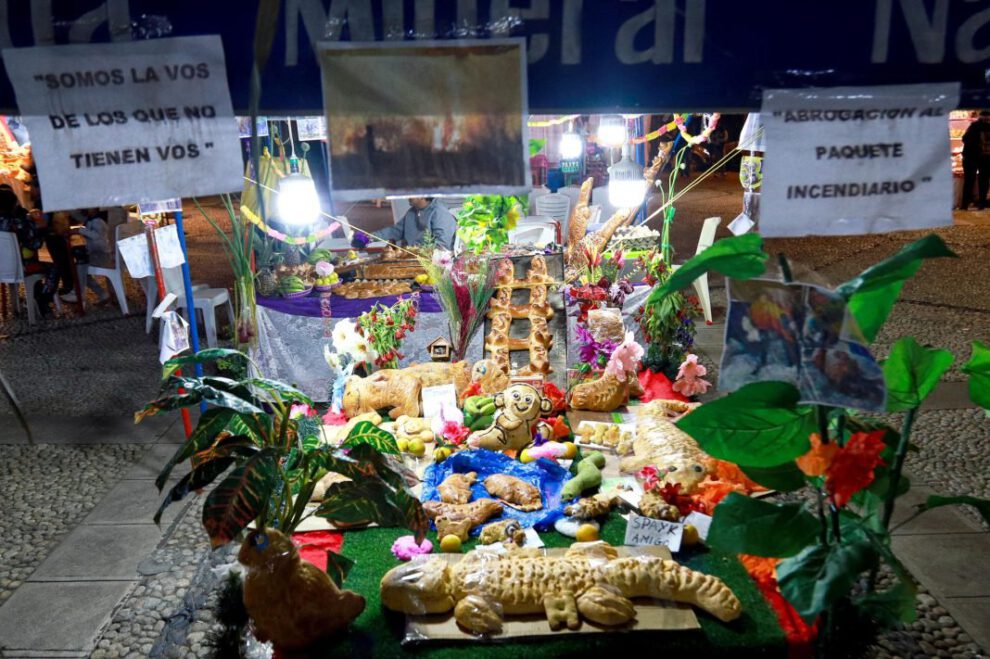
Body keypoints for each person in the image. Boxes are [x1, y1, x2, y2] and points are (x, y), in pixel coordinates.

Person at [0, 186, 58, 316]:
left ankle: (32, 299)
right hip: (20, 267)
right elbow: (35, 245)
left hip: (2, 268)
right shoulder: (19, 223)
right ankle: (42, 301)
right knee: (53, 268)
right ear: (13, 205)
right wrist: (41, 228)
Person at [61, 208, 110, 304]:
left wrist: (80, 231)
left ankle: (78, 293)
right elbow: (77, 215)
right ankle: (102, 294)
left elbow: (97, 238)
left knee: (81, 265)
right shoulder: (91, 220)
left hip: (102, 256)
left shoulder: (98, 221)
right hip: (98, 255)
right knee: (81, 272)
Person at [369, 197, 457, 250]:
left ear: (422, 195)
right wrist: (370, 237)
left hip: (433, 265)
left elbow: (442, 246)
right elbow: (395, 231)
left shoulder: (439, 212)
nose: (407, 197)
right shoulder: (412, 212)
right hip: (413, 260)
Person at [960, 111, 990, 210]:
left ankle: (979, 203)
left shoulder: (974, 126)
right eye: (985, 118)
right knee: (972, 180)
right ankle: (967, 204)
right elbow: (965, 139)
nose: (987, 120)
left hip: (984, 157)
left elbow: (964, 139)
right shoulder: (974, 127)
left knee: (982, 181)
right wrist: (977, 144)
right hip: (972, 157)